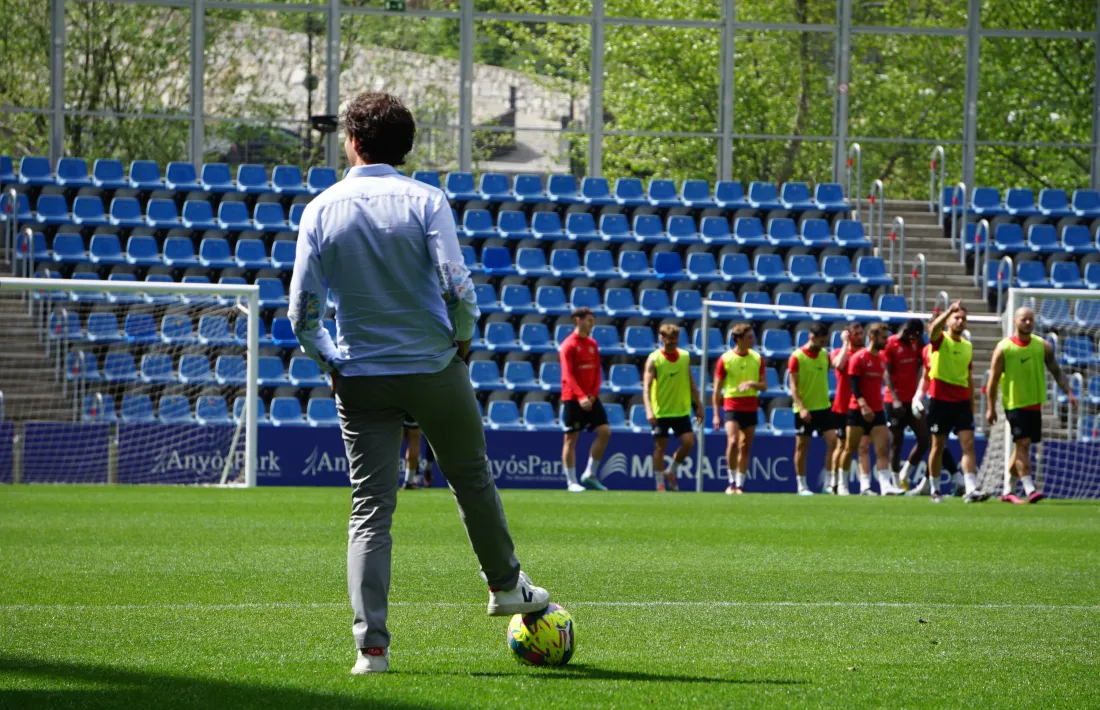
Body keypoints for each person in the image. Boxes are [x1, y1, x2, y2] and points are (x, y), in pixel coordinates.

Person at [288, 92, 549, 675]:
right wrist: (461, 338)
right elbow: (457, 283)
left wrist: (330, 359)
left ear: (350, 141)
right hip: (432, 365)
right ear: (405, 147)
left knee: (369, 509)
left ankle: (370, 649)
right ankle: (506, 587)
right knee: (471, 479)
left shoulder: (319, 209)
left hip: (360, 375)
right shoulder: (426, 200)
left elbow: (301, 311)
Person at [986, 306, 1077, 504]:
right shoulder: (1004, 348)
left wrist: (1069, 391)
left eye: (1030, 319)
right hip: (1014, 404)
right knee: (1024, 444)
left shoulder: (1042, 346)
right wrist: (991, 407)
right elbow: (992, 380)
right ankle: (1029, 488)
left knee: (1021, 446)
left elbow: (1056, 371)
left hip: (1034, 404)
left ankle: (1008, 490)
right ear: (1015, 321)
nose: (1027, 323)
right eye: (1023, 319)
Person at [926, 301, 988, 503]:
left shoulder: (968, 347)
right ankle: (935, 488)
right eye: (956, 317)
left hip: (961, 401)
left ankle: (970, 488)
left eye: (963, 319)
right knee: (938, 445)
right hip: (940, 400)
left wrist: (972, 404)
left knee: (968, 445)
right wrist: (947, 311)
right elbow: (933, 329)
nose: (960, 321)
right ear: (949, 320)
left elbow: (969, 378)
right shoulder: (940, 340)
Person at [643, 324, 704, 492]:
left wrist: (698, 405)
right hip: (661, 411)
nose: (672, 342)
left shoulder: (684, 357)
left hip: (681, 410)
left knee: (688, 443)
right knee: (660, 448)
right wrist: (648, 410)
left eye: (674, 339)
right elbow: (646, 387)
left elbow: (691, 382)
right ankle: (659, 484)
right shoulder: (654, 359)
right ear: (662, 338)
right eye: (668, 339)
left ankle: (671, 472)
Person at [559, 307, 611, 492]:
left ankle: (590, 473)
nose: (592, 323)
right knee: (571, 439)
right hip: (573, 398)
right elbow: (568, 375)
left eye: (592, 319)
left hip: (591, 397)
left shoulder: (592, 343)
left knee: (604, 431)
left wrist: (593, 395)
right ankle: (571, 481)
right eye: (588, 320)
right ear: (577, 321)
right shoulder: (568, 345)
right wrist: (581, 397)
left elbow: (597, 371)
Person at [712, 323, 768, 494]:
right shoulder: (726, 359)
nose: (753, 340)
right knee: (733, 441)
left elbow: (764, 386)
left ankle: (740, 484)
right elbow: (716, 390)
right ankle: (731, 482)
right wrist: (716, 414)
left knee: (745, 446)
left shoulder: (757, 358)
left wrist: (752, 384)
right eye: (749, 337)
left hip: (750, 404)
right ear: (739, 339)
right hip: (732, 404)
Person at [846, 322, 901, 495]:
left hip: (877, 408)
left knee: (882, 447)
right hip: (858, 409)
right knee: (852, 448)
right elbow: (854, 386)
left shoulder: (882, 358)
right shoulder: (858, 358)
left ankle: (885, 486)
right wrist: (863, 406)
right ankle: (841, 483)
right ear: (872, 337)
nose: (887, 341)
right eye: (883, 338)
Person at [905, 339, 962, 502]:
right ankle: (951, 480)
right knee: (936, 443)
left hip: (950, 400)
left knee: (937, 444)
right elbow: (925, 376)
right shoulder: (926, 351)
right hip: (933, 401)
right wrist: (917, 397)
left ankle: (953, 480)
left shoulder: (954, 348)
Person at [787, 322, 838, 496]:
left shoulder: (825, 355)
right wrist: (801, 407)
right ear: (811, 338)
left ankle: (829, 484)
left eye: (825, 342)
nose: (823, 345)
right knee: (802, 446)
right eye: (821, 341)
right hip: (804, 409)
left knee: (833, 442)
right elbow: (792, 385)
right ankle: (801, 485)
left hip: (823, 406)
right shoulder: (797, 357)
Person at [882, 318, 928, 489]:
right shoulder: (890, 344)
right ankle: (895, 482)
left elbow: (926, 355)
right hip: (895, 401)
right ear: (908, 333)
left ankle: (905, 473)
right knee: (896, 441)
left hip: (913, 400)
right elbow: (885, 372)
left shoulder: (915, 343)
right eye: (916, 336)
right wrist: (895, 399)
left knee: (924, 439)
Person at [827, 322, 869, 495]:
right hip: (842, 406)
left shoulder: (865, 354)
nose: (860, 337)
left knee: (863, 446)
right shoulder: (839, 352)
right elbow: (838, 365)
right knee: (842, 445)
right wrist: (845, 343)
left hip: (861, 406)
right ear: (848, 335)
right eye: (856, 334)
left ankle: (864, 486)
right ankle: (834, 482)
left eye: (861, 333)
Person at [399, 415, 435, 489]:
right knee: (414, 442)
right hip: (411, 413)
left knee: (394, 445)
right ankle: (408, 482)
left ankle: (386, 482)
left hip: (398, 412)